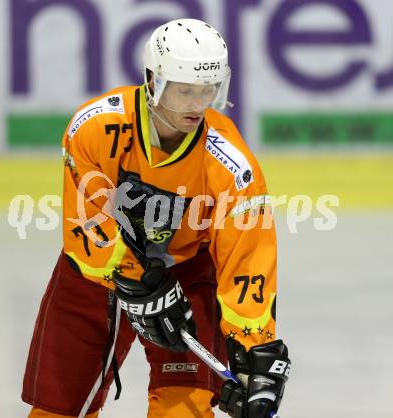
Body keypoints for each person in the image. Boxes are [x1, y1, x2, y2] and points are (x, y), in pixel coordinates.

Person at [22, 18, 291, 418]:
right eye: (185, 91)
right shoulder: (95, 128)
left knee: (185, 408)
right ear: (152, 79)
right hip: (95, 274)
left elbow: (247, 258)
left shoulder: (232, 165)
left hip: (187, 267)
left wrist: (256, 346)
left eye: (208, 90)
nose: (198, 104)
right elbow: (88, 227)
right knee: (55, 410)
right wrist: (137, 281)